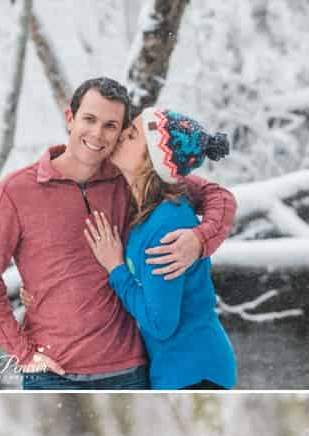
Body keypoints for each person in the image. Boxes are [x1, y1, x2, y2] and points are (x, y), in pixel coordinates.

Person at [0, 77, 236, 390]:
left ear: (122, 133)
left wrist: (200, 239)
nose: (97, 134)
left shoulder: (131, 177)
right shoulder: (16, 192)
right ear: (70, 119)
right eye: (89, 119)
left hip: (131, 372)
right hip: (53, 375)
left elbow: (219, 196)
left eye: (111, 126)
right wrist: (22, 352)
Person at [83, 109, 237, 389]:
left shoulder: (167, 225)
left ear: (151, 161)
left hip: (193, 370)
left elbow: (159, 323)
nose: (120, 137)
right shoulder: (149, 215)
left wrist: (116, 268)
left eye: (131, 136)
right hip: (178, 368)